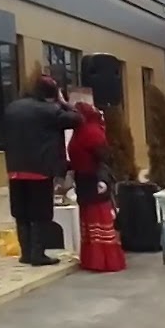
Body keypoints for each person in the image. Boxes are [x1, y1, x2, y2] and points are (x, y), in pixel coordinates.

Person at [1, 75, 81, 266]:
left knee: (21, 212)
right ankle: (38, 254)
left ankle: (26, 253)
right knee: (40, 213)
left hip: (15, 169)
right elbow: (78, 119)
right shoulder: (49, 111)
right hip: (40, 169)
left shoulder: (12, 108)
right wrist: (64, 103)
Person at [67, 102, 126, 272]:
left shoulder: (92, 132)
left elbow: (104, 158)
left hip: (95, 181)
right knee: (89, 220)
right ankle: (93, 260)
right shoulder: (83, 130)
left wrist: (102, 180)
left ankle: (104, 260)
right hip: (84, 180)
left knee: (98, 218)